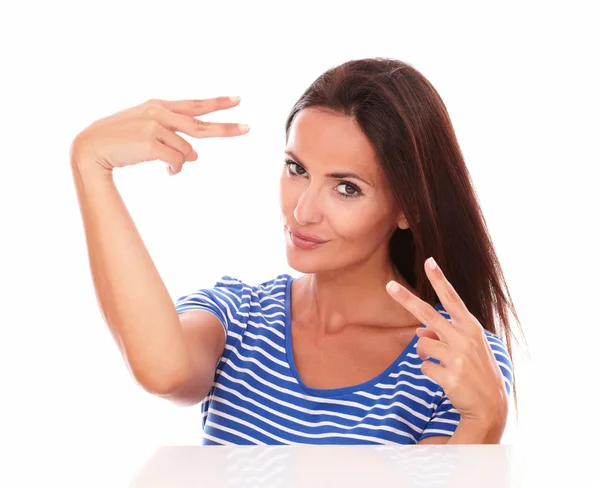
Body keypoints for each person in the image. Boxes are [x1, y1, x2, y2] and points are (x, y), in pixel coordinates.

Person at [70, 57, 521, 445]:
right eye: (296, 169)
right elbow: (163, 372)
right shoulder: (239, 315)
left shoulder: (455, 361)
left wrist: (483, 426)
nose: (302, 211)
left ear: (408, 207)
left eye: (346, 188)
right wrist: (91, 164)